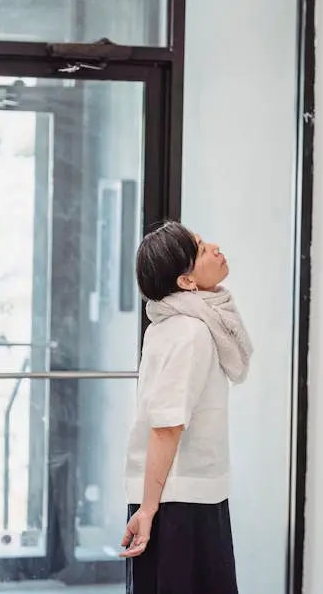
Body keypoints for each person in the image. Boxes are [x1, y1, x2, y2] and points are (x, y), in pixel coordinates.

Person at [120, 220, 253, 594]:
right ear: (186, 282)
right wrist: (148, 511)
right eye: (199, 248)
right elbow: (166, 425)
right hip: (179, 501)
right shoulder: (190, 331)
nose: (214, 246)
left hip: (181, 495)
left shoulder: (173, 325)